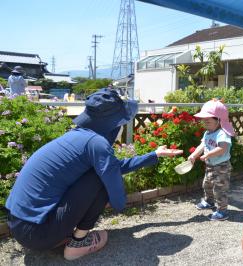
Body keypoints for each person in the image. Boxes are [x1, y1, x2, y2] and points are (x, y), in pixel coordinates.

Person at [5, 88, 182, 260]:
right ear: (114, 122)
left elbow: (112, 167)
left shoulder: (79, 136)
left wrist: (154, 155)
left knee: (100, 173)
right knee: (101, 178)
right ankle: (77, 244)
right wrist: (119, 203)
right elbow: (113, 184)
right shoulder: (97, 143)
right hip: (38, 233)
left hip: (18, 226)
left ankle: (60, 237)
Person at [188, 99, 235, 221]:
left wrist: (208, 155)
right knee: (207, 184)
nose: (205, 123)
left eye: (208, 121)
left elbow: (222, 149)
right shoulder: (208, 133)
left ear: (219, 120)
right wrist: (194, 155)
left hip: (221, 167)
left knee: (220, 189)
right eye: (204, 121)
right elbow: (202, 145)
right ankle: (209, 201)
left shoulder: (222, 133)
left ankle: (222, 211)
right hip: (210, 165)